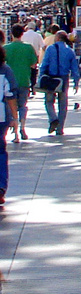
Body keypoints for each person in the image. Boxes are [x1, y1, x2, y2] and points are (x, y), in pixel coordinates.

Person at [38, 31, 81, 137]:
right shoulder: (69, 51)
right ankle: (60, 128)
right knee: (63, 104)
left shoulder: (50, 49)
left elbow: (44, 64)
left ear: (57, 38)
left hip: (51, 78)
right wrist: (76, 82)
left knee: (48, 101)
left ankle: (53, 118)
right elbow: (75, 69)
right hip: (63, 79)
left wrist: (40, 77)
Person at [4, 24, 35, 142]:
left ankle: (15, 132)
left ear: (11, 34)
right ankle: (22, 127)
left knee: (11, 107)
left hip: (9, 82)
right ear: (22, 34)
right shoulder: (28, 48)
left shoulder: (6, 48)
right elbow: (33, 65)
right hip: (24, 81)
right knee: (22, 106)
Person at [0, 52, 14, 204]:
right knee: (0, 151)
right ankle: (1, 186)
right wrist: (15, 118)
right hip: (1, 116)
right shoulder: (5, 70)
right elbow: (10, 94)